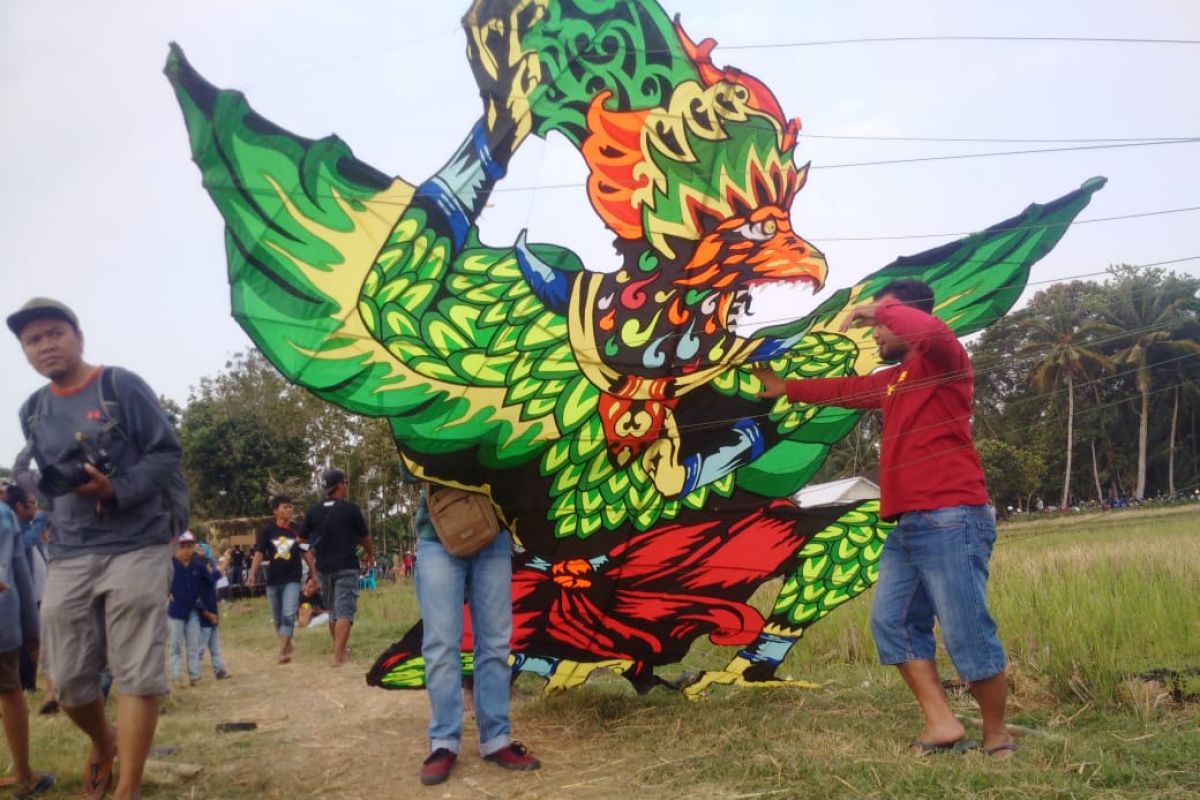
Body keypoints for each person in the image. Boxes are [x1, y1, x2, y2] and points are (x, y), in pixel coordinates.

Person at [754, 279, 1014, 759]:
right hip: (907, 525)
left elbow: (928, 331)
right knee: (891, 624)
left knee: (966, 632)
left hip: (952, 517)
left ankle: (997, 738)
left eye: (881, 327)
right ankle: (942, 725)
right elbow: (846, 389)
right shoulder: (894, 380)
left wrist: (879, 308)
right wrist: (784, 388)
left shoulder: (944, 362)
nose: (874, 336)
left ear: (905, 320)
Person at [9, 297, 182, 800]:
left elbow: (166, 451)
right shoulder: (33, 410)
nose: (45, 345)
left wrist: (116, 488)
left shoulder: (119, 385)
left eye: (54, 333)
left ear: (78, 336)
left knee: (135, 671)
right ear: (24, 351)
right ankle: (103, 741)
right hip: (71, 548)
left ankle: (125, 789)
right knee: (64, 679)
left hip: (137, 542)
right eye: (33, 339)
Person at [413, 486, 540, 785]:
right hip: (438, 533)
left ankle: (495, 739)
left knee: (496, 643)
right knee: (441, 645)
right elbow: (411, 461)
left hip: (492, 531)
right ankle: (443, 741)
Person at [0, 500, 55, 798]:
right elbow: (21, 575)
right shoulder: (4, 516)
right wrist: (33, 631)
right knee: (10, 691)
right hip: (2, 619)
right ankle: (24, 776)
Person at [300, 469, 375, 667]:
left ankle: (339, 650)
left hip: (323, 568)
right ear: (340, 485)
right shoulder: (350, 509)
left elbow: (301, 539)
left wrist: (313, 554)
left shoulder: (314, 511)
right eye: (346, 482)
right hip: (346, 566)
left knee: (333, 611)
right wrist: (370, 554)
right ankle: (338, 656)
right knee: (344, 612)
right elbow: (365, 536)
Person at [247, 494, 317, 663]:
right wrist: (252, 573)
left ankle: (282, 652)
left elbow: (306, 551)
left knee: (288, 615)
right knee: (277, 617)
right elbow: (259, 553)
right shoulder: (266, 530)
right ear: (275, 511)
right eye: (285, 507)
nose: (289, 510)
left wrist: (314, 573)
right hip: (273, 579)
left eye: (290, 506)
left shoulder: (297, 529)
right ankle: (287, 643)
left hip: (293, 578)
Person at [168, 532, 206, 686]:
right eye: (183, 547)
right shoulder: (169, 566)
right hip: (176, 613)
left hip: (193, 612)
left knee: (193, 646)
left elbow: (208, 583)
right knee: (176, 646)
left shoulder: (197, 566)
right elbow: (159, 582)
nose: (186, 551)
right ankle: (176, 677)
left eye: (190, 547)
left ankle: (194, 676)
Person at [195, 542, 231, 680]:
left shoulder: (210, 580)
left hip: (213, 620)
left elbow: (220, 571)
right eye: (209, 566)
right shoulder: (199, 584)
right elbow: (197, 603)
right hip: (204, 620)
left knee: (215, 648)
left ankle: (219, 670)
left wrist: (226, 558)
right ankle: (195, 673)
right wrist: (208, 615)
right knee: (199, 649)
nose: (211, 567)